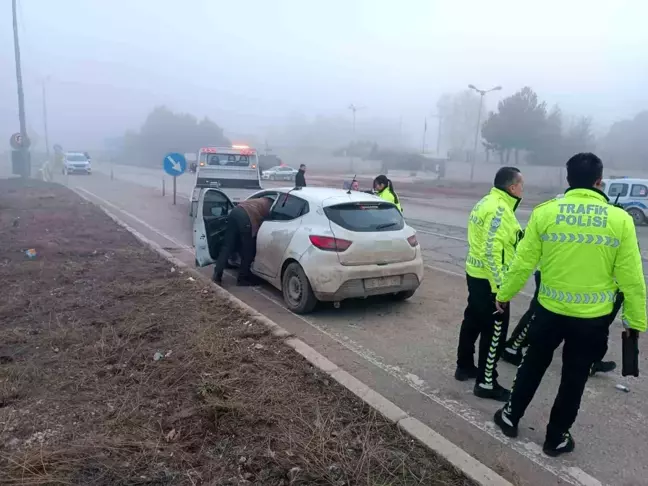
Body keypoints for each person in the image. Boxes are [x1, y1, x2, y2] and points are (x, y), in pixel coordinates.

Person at [493, 153, 646, 457]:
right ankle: (556, 438)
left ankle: (510, 416)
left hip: (549, 312)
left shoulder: (546, 212)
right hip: (592, 320)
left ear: (568, 180)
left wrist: (504, 294)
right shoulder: (620, 220)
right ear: (599, 182)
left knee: (533, 365)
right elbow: (632, 279)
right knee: (574, 378)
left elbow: (523, 262)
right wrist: (636, 323)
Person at [455, 167, 524, 402]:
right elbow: (491, 251)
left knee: (472, 319)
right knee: (495, 329)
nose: (522, 189)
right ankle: (486, 382)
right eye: (521, 185)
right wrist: (500, 289)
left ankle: (464, 366)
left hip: (475, 274)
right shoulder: (499, 209)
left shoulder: (486, 201)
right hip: (489, 280)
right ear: (512, 187)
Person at [502, 267, 617, 376]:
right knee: (537, 314)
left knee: (539, 314)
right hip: (556, 274)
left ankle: (514, 347)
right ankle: (513, 347)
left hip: (561, 274)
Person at [212, 197, 274, 286]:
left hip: (235, 211)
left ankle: (217, 274)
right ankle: (243, 278)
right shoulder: (270, 206)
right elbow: (267, 221)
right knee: (248, 250)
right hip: (246, 217)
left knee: (227, 246)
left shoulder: (259, 200)